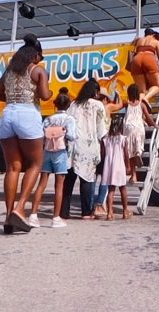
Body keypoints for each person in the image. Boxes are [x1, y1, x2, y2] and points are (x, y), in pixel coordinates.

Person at [0, 34, 52, 234]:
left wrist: (13, 98)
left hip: (8, 114)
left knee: (12, 167)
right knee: (36, 164)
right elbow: (44, 95)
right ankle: (20, 209)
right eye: (40, 57)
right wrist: (50, 93)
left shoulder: (9, 71)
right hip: (28, 114)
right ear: (35, 56)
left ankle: (9, 217)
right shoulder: (38, 71)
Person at [28, 88, 76, 229]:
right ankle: (56, 218)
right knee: (59, 186)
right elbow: (72, 136)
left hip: (47, 151)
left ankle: (33, 215)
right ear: (68, 105)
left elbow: (41, 134)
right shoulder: (69, 119)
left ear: (55, 104)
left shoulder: (48, 119)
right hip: (61, 152)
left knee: (42, 184)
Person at [61, 78, 107, 219]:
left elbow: (66, 124)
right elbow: (102, 131)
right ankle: (86, 212)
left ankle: (64, 212)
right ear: (95, 92)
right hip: (89, 146)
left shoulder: (73, 104)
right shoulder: (98, 105)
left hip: (73, 146)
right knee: (87, 179)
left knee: (68, 181)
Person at [92, 86, 123, 218]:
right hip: (105, 144)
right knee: (104, 177)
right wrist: (118, 95)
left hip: (95, 143)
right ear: (105, 98)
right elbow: (120, 105)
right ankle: (100, 203)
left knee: (93, 176)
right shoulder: (108, 107)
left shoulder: (93, 108)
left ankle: (91, 204)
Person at [130, 28, 159, 106]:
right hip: (148, 58)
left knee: (142, 91)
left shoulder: (139, 40)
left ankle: (139, 103)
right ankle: (146, 98)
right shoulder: (156, 42)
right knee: (156, 86)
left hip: (137, 60)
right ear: (153, 35)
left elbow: (132, 51)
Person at [124, 83, 156, 183]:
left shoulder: (126, 104)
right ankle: (138, 152)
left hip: (128, 128)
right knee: (137, 148)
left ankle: (133, 175)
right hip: (138, 128)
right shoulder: (142, 105)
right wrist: (154, 124)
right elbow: (148, 118)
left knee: (129, 152)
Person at [102, 114, 131, 220]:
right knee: (123, 188)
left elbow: (103, 154)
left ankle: (109, 213)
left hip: (109, 166)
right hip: (120, 165)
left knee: (111, 189)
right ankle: (125, 211)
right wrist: (128, 166)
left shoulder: (105, 139)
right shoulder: (123, 139)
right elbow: (126, 154)